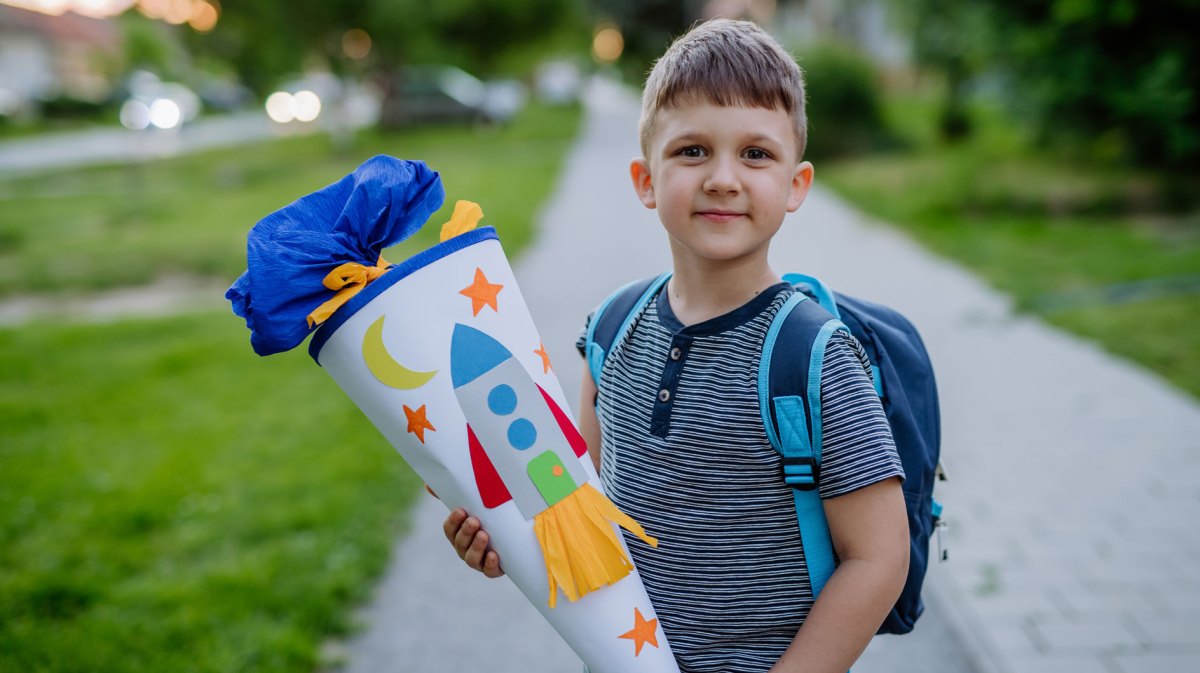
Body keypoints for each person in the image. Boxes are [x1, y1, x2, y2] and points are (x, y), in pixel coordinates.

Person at [443, 18, 909, 673]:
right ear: (645, 179)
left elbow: (880, 554)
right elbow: (580, 506)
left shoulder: (812, 355)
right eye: (692, 151)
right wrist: (507, 544)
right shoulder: (611, 330)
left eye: (756, 154)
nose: (722, 178)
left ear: (797, 185)